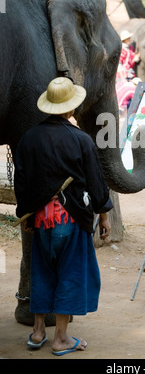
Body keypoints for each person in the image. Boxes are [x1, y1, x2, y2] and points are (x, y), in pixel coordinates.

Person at [14, 77, 113, 356]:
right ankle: (60, 339)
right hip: (70, 221)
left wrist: (28, 214)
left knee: (42, 273)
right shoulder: (81, 140)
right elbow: (95, 182)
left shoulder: (29, 138)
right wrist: (103, 216)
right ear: (72, 108)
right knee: (69, 274)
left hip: (40, 220)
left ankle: (37, 333)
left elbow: (21, 181)